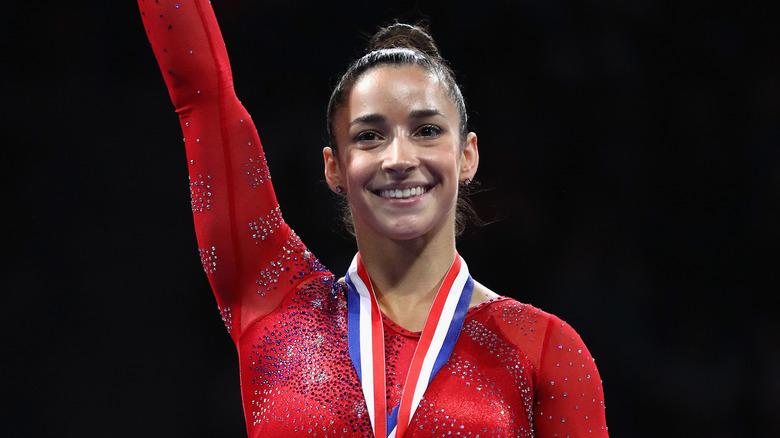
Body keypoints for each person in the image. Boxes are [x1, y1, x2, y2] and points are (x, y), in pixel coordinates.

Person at [137, 0, 608, 436]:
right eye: (369, 136)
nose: (398, 158)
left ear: (467, 156)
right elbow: (202, 97)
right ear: (334, 167)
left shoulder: (546, 351)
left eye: (426, 131)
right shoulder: (277, 302)